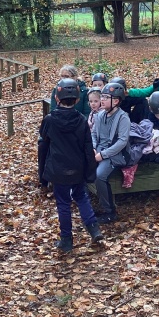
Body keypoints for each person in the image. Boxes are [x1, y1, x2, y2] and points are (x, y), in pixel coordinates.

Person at [39, 78, 104, 252]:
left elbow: (43, 142)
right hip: (77, 168)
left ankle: (66, 240)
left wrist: (42, 175)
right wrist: (90, 171)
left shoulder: (50, 120)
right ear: (77, 99)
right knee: (81, 196)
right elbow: (88, 147)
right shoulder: (82, 120)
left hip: (58, 169)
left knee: (63, 203)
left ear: (57, 98)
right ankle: (94, 229)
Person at [92, 82, 131, 224]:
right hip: (99, 151)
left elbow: (122, 142)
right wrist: (93, 148)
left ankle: (110, 211)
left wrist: (103, 155)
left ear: (115, 101)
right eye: (102, 96)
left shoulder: (123, 118)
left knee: (100, 175)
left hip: (116, 154)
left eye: (105, 97)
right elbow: (94, 134)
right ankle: (89, 205)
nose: (102, 100)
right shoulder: (100, 115)